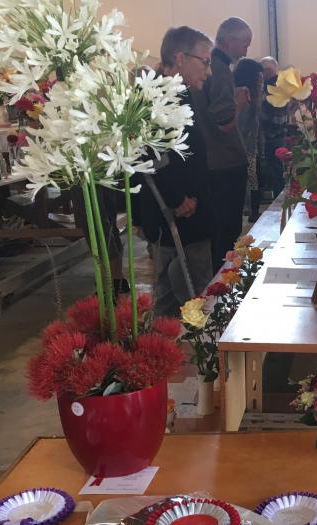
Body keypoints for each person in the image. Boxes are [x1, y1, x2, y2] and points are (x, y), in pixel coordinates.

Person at [138, 26, 215, 317]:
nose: (208, 71)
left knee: (169, 297)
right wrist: (178, 198)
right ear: (180, 58)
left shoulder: (177, 92)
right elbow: (154, 154)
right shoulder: (161, 96)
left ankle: (163, 354)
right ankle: (194, 358)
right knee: (195, 298)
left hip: (179, 211)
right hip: (180, 214)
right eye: (205, 61)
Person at [197, 17, 252, 271]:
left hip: (210, 162)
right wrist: (238, 105)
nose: (245, 51)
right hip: (225, 162)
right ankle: (222, 285)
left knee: (218, 231)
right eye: (244, 45)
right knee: (226, 231)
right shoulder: (217, 68)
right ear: (229, 42)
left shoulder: (213, 66)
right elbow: (224, 122)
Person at [235, 58, 265, 222]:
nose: (261, 81)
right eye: (259, 77)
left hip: (251, 146)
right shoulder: (243, 93)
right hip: (243, 147)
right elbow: (240, 124)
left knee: (255, 180)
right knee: (250, 181)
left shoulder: (254, 95)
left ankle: (254, 211)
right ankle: (250, 211)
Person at [260, 56, 289, 201]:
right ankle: (279, 201)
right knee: (277, 170)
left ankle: (279, 201)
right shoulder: (280, 85)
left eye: (264, 70)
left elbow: (276, 116)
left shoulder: (272, 87)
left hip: (272, 135)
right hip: (277, 135)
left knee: (276, 171)